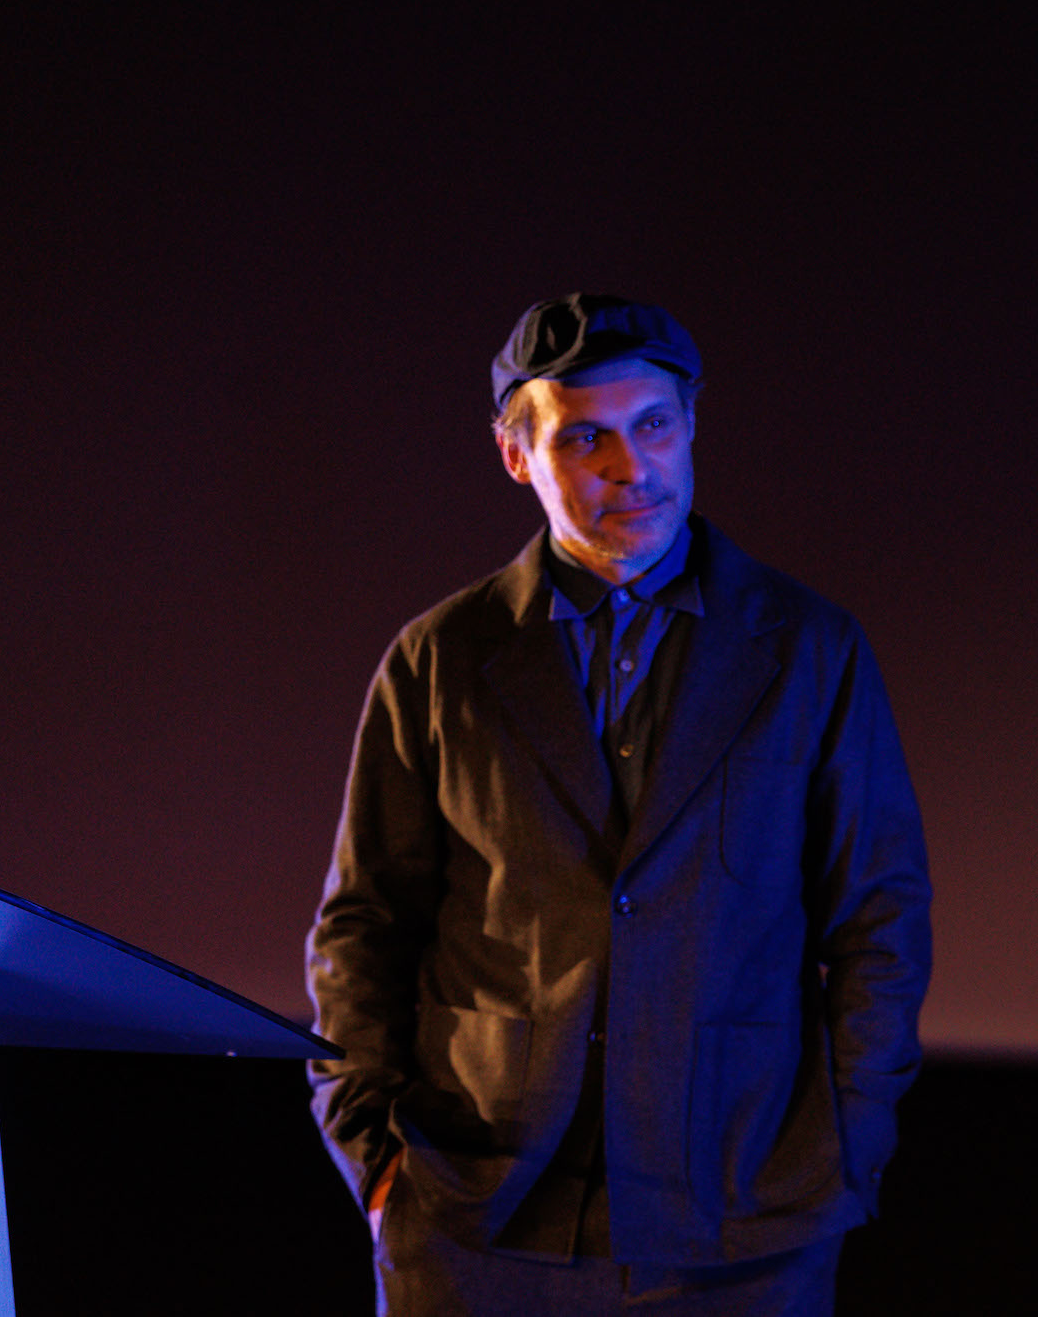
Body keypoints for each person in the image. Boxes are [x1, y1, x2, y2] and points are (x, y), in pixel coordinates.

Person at [306, 293, 932, 1316]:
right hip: (478, 1212)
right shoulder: (441, 658)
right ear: (516, 455)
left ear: (690, 425)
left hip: (743, 1217)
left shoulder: (808, 646)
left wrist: (845, 1148)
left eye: (653, 425)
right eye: (584, 437)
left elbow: (880, 916)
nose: (630, 466)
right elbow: (364, 925)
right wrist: (375, 1156)